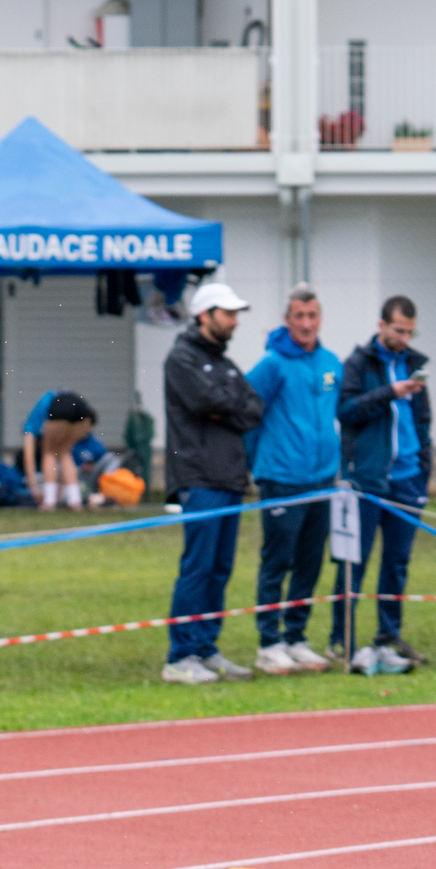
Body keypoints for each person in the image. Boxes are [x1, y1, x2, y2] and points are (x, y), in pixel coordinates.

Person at [159, 283, 263, 685]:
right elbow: (207, 402)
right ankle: (180, 655)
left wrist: (226, 408)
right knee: (198, 567)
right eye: (228, 313)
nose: (234, 321)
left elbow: (253, 409)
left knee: (220, 569)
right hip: (198, 477)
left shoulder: (225, 363)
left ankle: (206, 647)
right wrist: (226, 406)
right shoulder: (181, 358)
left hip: (230, 477)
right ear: (205, 315)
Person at [333, 295, 436, 674]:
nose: (404, 339)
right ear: (381, 325)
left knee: (397, 562)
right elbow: (346, 411)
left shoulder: (415, 364)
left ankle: (389, 636)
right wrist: (390, 393)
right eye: (398, 331)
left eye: (410, 332)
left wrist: (424, 470)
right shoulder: (358, 364)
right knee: (354, 562)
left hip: (409, 479)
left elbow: (423, 422)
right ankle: (342, 639)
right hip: (368, 479)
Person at [243, 284, 342, 674]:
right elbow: (246, 414)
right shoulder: (271, 365)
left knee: (310, 561)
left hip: (323, 479)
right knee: (278, 560)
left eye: (312, 315)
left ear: (320, 318)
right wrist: (255, 464)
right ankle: (269, 642)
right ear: (287, 321)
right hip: (282, 478)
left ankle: (296, 636)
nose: (306, 323)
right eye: (299, 316)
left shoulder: (331, 363)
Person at [22, 387, 97, 511]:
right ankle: (75, 500)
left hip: (61, 408)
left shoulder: (31, 423)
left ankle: (49, 502)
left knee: (49, 452)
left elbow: (28, 456)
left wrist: (34, 488)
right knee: (65, 453)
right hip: (82, 410)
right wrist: (59, 489)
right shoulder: (50, 399)